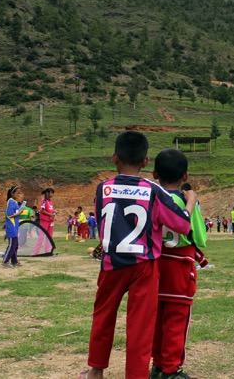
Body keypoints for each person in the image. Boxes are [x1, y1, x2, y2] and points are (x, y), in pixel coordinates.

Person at [79, 131, 194, 379]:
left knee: (103, 316)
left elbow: (102, 219)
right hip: (144, 265)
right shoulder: (153, 191)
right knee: (140, 326)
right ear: (145, 161)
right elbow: (182, 225)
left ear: (114, 158)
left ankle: (95, 371)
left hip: (111, 263)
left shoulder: (103, 188)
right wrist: (191, 201)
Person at [150, 149, 207, 379]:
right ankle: (171, 369)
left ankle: (157, 365)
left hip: (154, 267)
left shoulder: (153, 199)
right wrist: (193, 203)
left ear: (155, 174)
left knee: (156, 320)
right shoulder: (187, 201)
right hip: (180, 269)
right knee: (176, 320)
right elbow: (200, 238)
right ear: (186, 176)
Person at [3, 186, 25, 268]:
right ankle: (5, 261)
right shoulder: (10, 201)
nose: (19, 195)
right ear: (12, 193)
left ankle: (14, 261)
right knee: (12, 245)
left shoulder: (15, 202)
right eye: (17, 193)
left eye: (20, 193)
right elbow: (9, 214)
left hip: (15, 227)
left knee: (15, 245)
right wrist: (19, 213)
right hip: (11, 227)